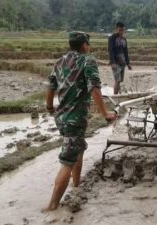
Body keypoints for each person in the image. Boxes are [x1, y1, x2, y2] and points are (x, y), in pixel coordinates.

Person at [44, 31, 117, 211]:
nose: (89, 47)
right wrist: (104, 112)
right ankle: (52, 206)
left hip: (61, 117)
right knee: (68, 160)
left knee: (79, 148)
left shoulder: (60, 61)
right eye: (88, 44)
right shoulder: (87, 60)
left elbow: (51, 87)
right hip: (74, 119)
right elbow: (94, 88)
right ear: (84, 45)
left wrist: (50, 108)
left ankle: (76, 185)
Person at [108, 22, 132, 95]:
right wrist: (112, 62)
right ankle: (115, 96)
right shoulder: (112, 38)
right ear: (116, 29)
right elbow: (110, 50)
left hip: (122, 62)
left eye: (122, 30)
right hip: (115, 62)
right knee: (117, 80)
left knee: (120, 80)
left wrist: (128, 63)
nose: (121, 32)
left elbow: (125, 51)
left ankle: (117, 95)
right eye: (119, 30)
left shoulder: (124, 39)